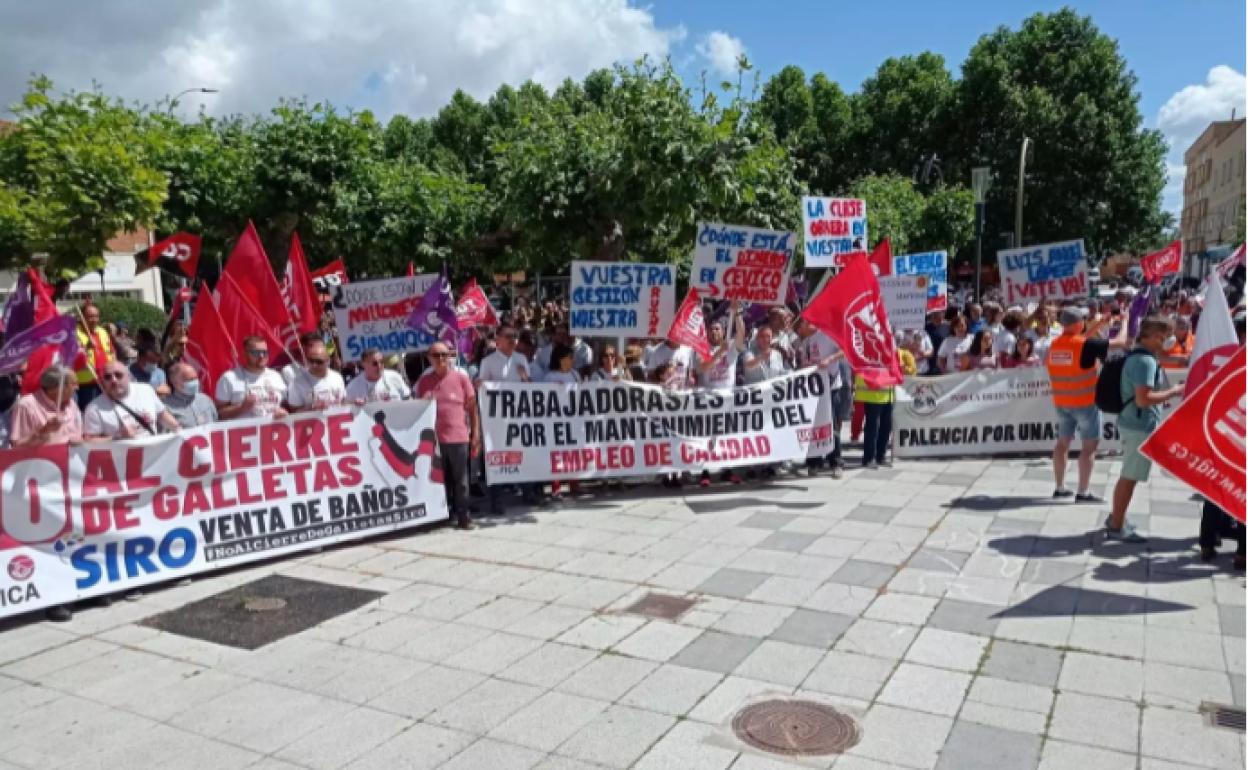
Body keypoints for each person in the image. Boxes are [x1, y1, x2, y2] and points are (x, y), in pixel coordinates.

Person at [10, 365, 83, 621]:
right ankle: (53, 599)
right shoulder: (27, 406)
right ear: (56, 388)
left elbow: (77, 436)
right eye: (73, 384)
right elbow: (16, 447)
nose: (77, 388)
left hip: (69, 479)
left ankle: (84, 588)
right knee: (48, 541)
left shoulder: (72, 405)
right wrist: (42, 434)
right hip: (38, 483)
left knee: (73, 536)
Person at [1105, 316, 1185, 542]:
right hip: (1139, 425)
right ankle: (1117, 526)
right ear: (1152, 336)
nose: (1167, 341)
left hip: (1134, 422)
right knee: (1129, 478)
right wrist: (1174, 391)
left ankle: (1117, 518)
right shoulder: (1145, 362)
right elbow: (1143, 399)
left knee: (1128, 476)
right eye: (1164, 336)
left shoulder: (1141, 355)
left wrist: (1183, 360)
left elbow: (1163, 358)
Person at [1046, 305, 1131, 502]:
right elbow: (1120, 342)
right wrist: (1124, 321)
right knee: (1089, 446)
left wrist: (1101, 323)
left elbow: (1081, 341)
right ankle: (1083, 492)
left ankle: (1060, 487)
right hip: (1085, 403)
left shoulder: (1056, 344)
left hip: (1062, 402)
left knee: (1062, 443)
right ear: (1078, 323)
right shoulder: (1084, 345)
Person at [416, 342, 480, 530]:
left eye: (445, 355)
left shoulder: (461, 379)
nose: (442, 359)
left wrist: (475, 434)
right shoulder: (424, 382)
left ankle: (463, 515)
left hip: (459, 437)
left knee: (461, 480)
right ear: (429, 358)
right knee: (441, 480)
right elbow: (417, 408)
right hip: (434, 441)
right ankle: (444, 514)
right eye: (437, 355)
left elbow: (472, 409)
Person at [1200, 311, 1246, 568]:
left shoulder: (1222, 360)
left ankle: (1207, 544)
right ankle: (1241, 551)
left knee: (1217, 490)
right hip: (1232, 435)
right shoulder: (1232, 361)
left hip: (1221, 434)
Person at [475, 323, 538, 510]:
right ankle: (497, 499)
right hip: (497, 421)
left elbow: (530, 389)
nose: (512, 340)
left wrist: (524, 377)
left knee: (523, 454)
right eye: (508, 336)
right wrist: (480, 384)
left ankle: (528, 492)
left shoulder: (521, 359)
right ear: (498, 339)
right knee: (497, 457)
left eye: (515, 336)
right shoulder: (488, 362)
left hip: (519, 418)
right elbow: (483, 388)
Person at [795, 317, 845, 478]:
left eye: (804, 323)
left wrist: (830, 359)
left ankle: (836, 462)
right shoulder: (805, 342)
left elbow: (844, 350)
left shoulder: (827, 335)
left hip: (831, 388)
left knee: (832, 426)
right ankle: (814, 462)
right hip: (814, 390)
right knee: (814, 426)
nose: (802, 326)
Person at [83, 361, 180, 440]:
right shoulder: (94, 409)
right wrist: (117, 437)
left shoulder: (146, 390)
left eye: (118, 375)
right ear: (103, 381)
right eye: (108, 377)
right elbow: (89, 440)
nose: (114, 380)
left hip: (152, 455)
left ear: (128, 376)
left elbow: (161, 415)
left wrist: (178, 429)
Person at [215, 336, 288, 420]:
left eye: (265, 352)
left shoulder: (276, 376)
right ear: (245, 355)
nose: (261, 356)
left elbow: (286, 405)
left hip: (273, 430)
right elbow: (219, 414)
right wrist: (241, 407)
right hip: (244, 432)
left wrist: (283, 411)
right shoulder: (228, 378)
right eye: (256, 353)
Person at [854, 351, 904, 469]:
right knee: (872, 428)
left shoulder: (889, 348)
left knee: (886, 427)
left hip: (888, 394)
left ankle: (880, 456)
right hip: (873, 395)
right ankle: (868, 458)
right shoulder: (870, 349)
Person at [73, 303, 115, 410]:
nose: (94, 319)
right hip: (86, 384)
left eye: (96, 316)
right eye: (90, 316)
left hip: (105, 381)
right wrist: (86, 347)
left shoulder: (102, 332)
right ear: (81, 317)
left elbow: (111, 352)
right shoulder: (74, 333)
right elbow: (70, 358)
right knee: (89, 413)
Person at [287, 340, 350, 411]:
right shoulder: (297, 383)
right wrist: (312, 407)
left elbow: (343, 401)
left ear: (328, 361)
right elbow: (293, 411)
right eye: (311, 361)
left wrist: (357, 406)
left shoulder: (337, 377)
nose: (314, 365)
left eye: (319, 362)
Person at [698, 306, 746, 390]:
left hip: (728, 397)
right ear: (707, 332)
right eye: (711, 329)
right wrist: (720, 352)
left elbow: (741, 332)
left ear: (723, 332)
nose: (714, 332)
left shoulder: (731, 346)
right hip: (708, 397)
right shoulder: (702, 348)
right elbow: (703, 367)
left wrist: (736, 312)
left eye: (717, 329)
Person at [347, 347, 412, 403]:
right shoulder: (353, 386)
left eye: (381, 362)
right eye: (375, 363)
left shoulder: (394, 376)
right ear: (363, 364)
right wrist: (353, 404)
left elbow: (408, 398)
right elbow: (345, 406)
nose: (379, 366)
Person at [163, 363, 218, 429]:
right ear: (175, 382)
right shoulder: (166, 407)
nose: (195, 382)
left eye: (195, 378)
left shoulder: (206, 399)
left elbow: (216, 422)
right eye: (189, 380)